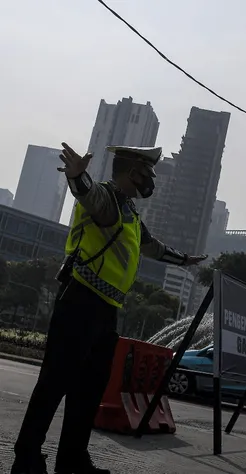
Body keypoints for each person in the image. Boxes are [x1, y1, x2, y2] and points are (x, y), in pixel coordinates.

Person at [11, 143, 208, 474]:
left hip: (106, 309)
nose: (150, 180)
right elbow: (88, 195)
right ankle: (26, 456)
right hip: (79, 300)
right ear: (131, 171)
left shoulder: (129, 211)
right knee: (54, 382)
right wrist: (77, 176)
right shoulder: (106, 197)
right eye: (146, 173)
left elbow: (151, 246)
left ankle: (72, 459)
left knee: (89, 390)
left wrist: (184, 260)